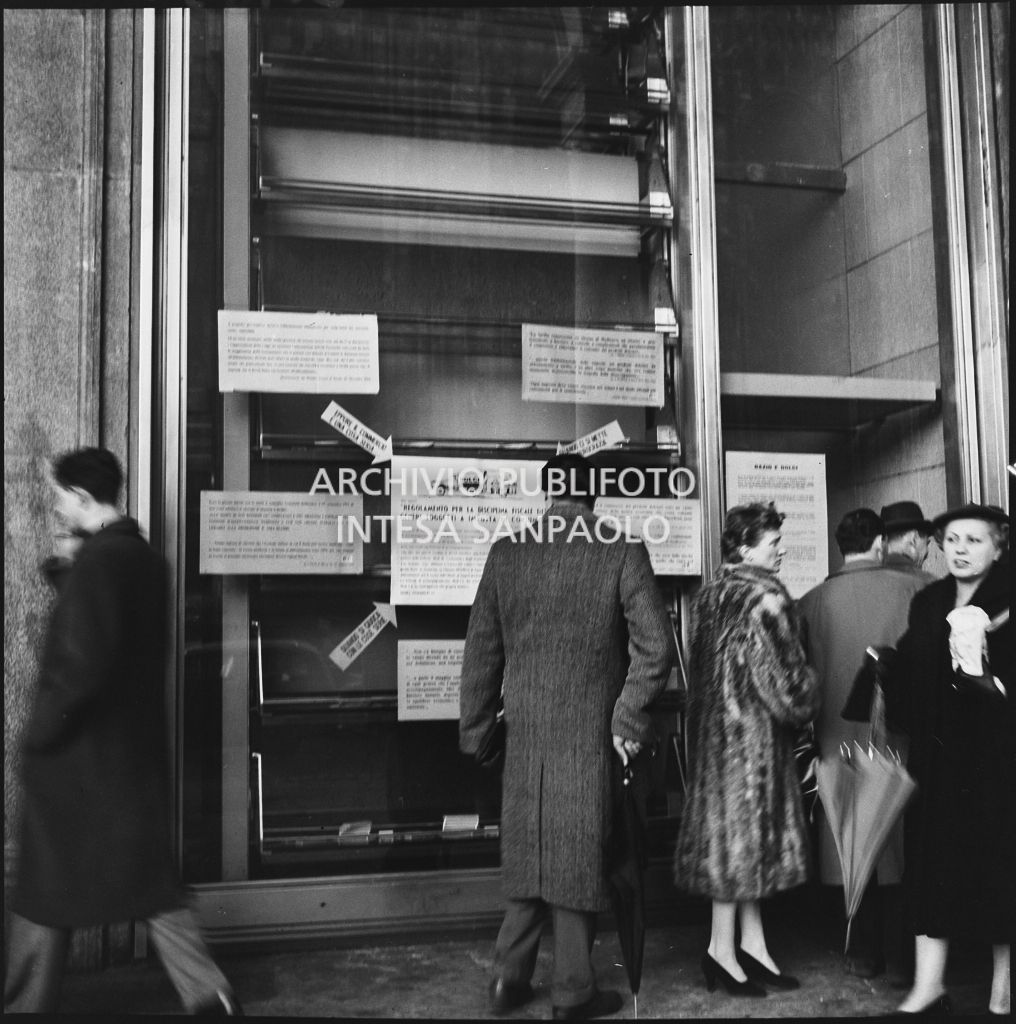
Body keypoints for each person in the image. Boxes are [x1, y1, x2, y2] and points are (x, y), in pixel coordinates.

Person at [4, 448, 242, 1016]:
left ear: (84, 498)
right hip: (129, 753)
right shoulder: (141, 558)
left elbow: (81, 662)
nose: (58, 507)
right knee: (151, 883)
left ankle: (21, 1003)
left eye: (62, 496)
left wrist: (39, 734)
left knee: (46, 885)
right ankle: (207, 993)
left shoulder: (100, 566)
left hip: (81, 757)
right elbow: (116, 634)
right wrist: (69, 571)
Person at [459, 453, 675, 1020]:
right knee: (577, 852)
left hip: (526, 732)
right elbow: (657, 647)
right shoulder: (619, 549)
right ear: (594, 496)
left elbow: (481, 653)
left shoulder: (507, 552)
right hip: (588, 734)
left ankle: (509, 979)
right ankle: (573, 992)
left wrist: (478, 732)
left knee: (531, 851)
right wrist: (627, 717)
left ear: (546, 494)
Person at [674, 502, 819, 997]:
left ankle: (750, 945)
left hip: (716, 742)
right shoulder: (764, 600)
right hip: (753, 744)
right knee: (742, 849)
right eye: (773, 542)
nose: (780, 551)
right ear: (744, 547)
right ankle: (721, 950)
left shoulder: (712, 596)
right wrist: (811, 693)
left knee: (735, 848)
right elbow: (789, 687)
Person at [876, 504, 1012, 1016]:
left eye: (973, 540)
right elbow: (914, 668)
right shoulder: (930, 599)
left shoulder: (1009, 597)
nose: (958, 549)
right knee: (931, 870)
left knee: (1001, 870)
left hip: (999, 761)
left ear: (998, 546)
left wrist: (990, 681)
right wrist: (887, 668)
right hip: (940, 762)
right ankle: (927, 987)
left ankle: (1004, 988)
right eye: (951, 539)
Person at [797, 509, 929, 983]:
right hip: (902, 738)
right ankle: (911, 956)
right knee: (906, 845)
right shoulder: (918, 588)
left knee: (857, 847)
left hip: (837, 743)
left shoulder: (810, 602)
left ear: (840, 547)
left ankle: (866, 950)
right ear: (879, 544)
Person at [880, 501, 936, 583]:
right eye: (927, 543)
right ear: (914, 539)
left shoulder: (867, 581)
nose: (927, 551)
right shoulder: (926, 583)